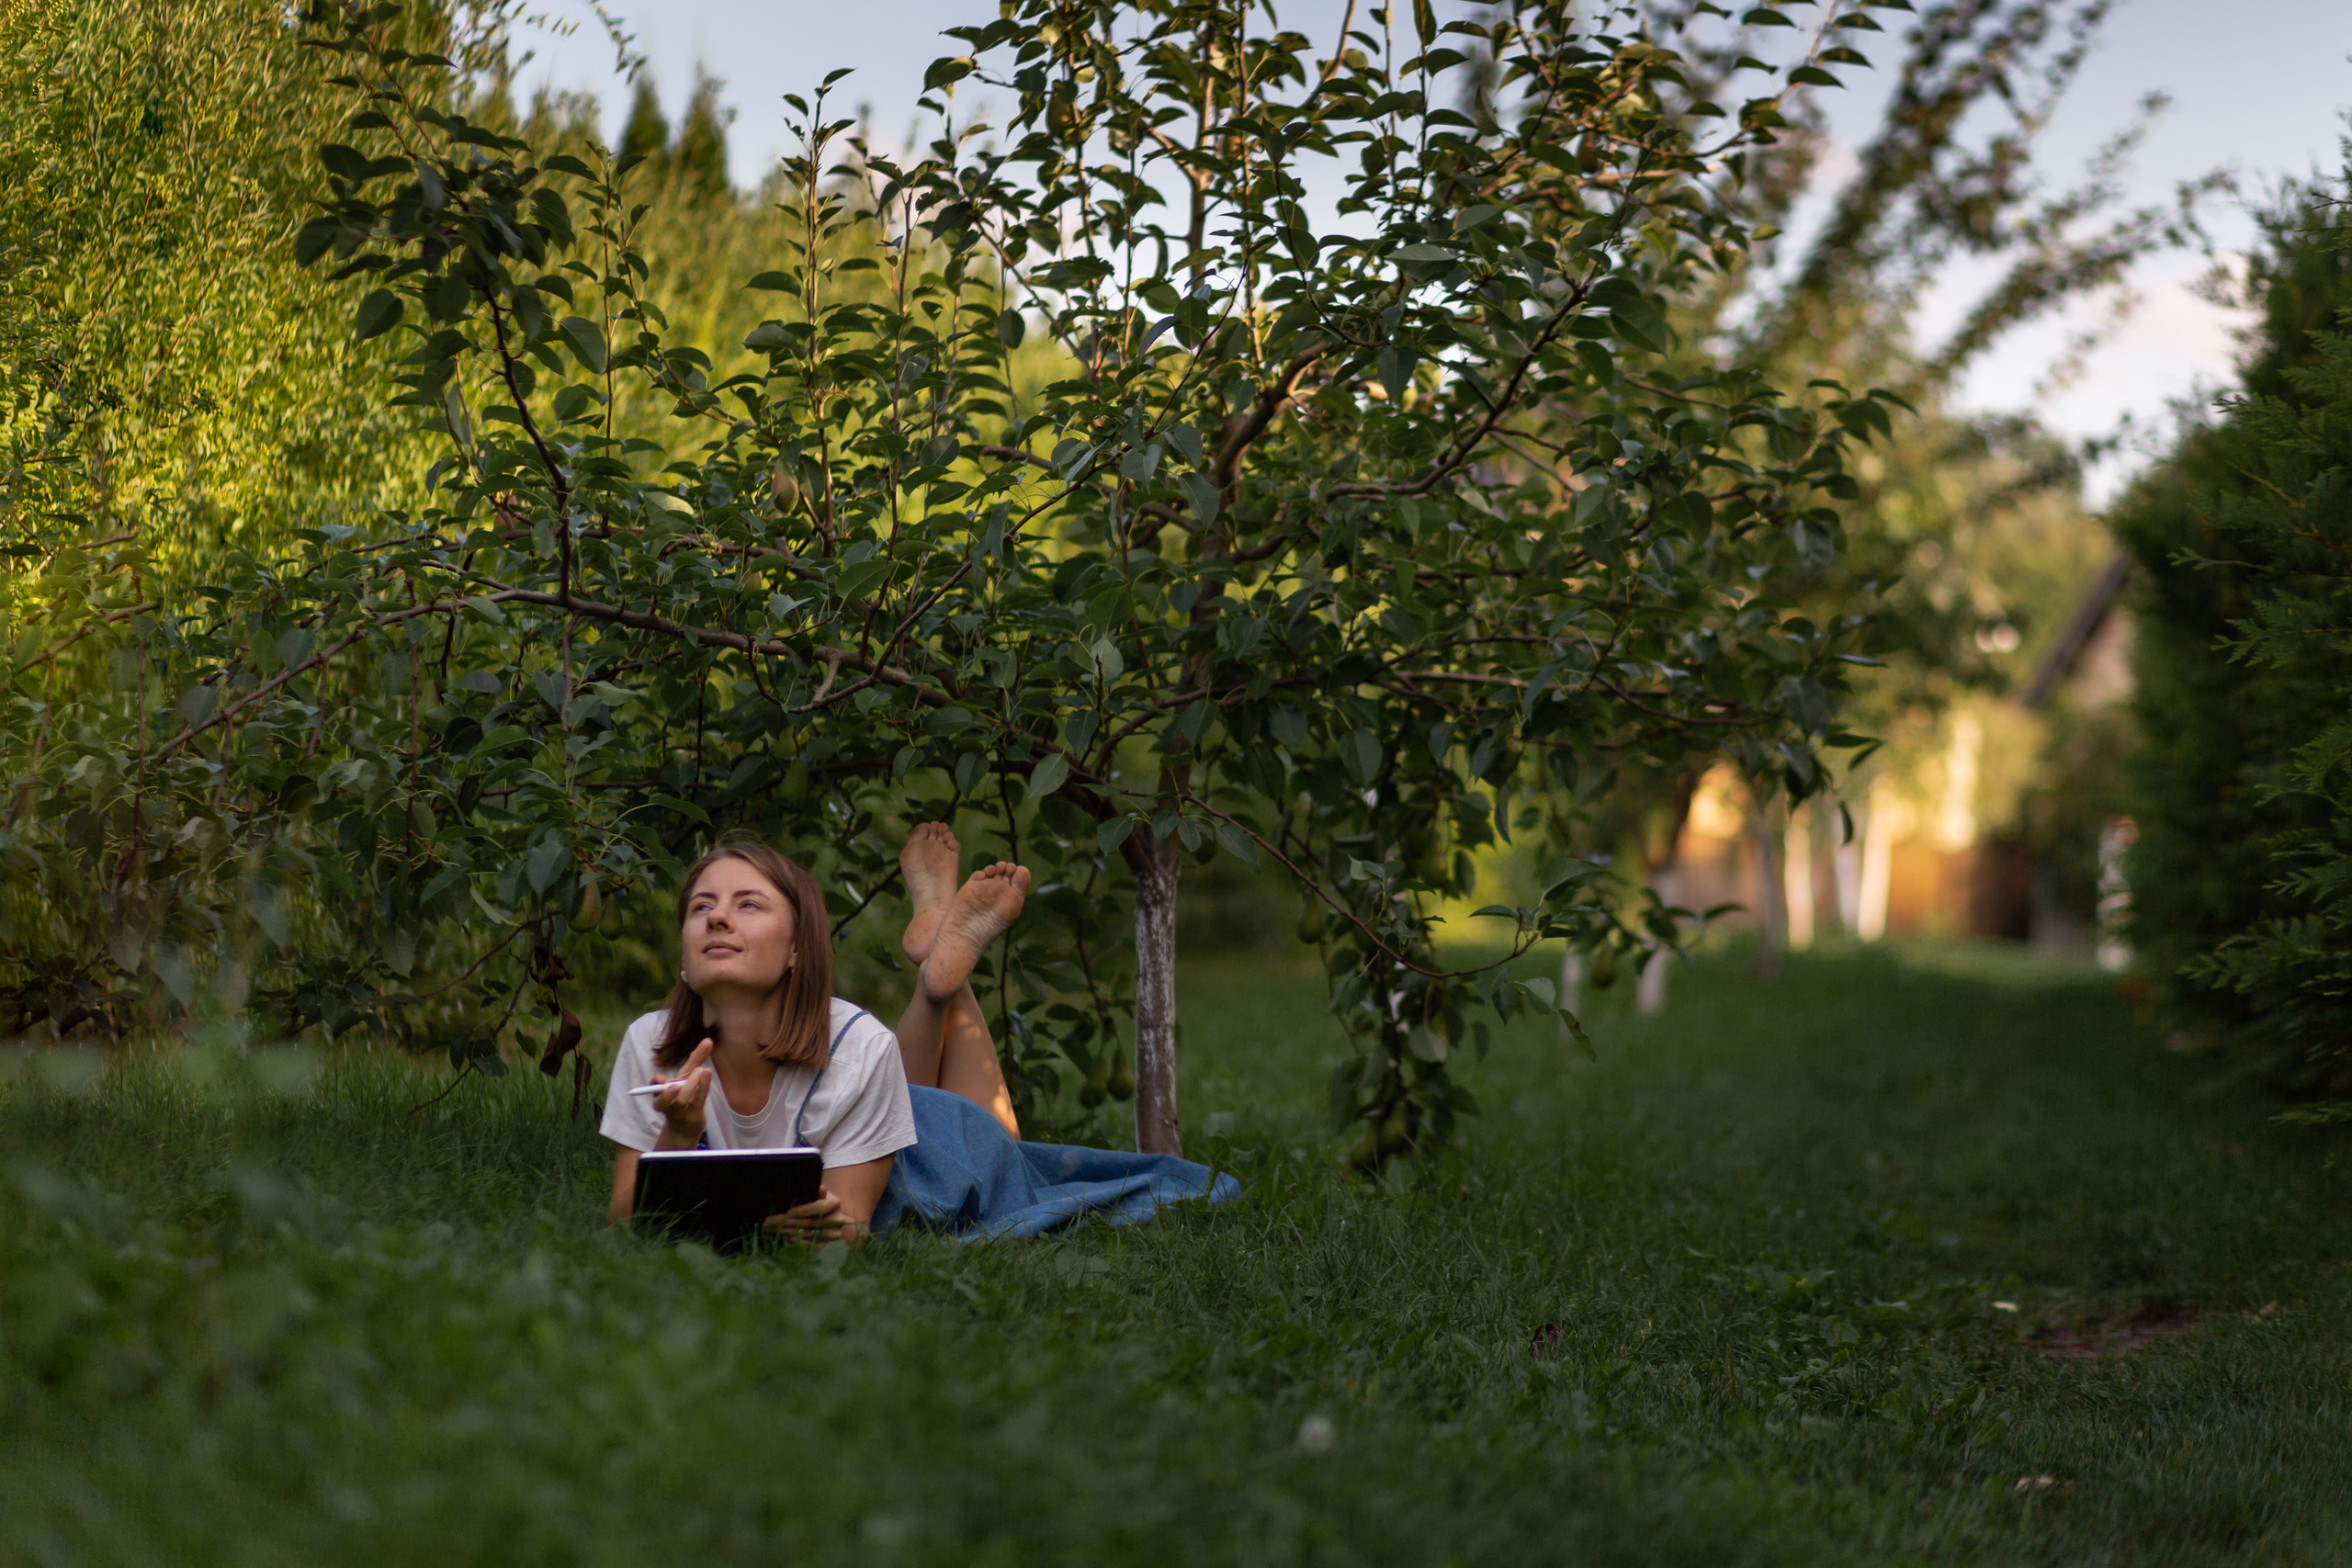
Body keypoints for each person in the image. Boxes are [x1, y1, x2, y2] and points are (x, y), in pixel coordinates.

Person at [601, 827, 1237, 1245]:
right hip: (870, 1113)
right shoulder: (651, 1044)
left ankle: (941, 970)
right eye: (700, 906)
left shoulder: (857, 1045)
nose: (716, 914)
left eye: (748, 904)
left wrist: (769, 1228)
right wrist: (679, 1134)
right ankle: (939, 971)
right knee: (881, 1073)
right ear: (684, 956)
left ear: (798, 949)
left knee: (1009, 1155)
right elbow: (627, 1224)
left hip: (937, 1152)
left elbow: (847, 1229)